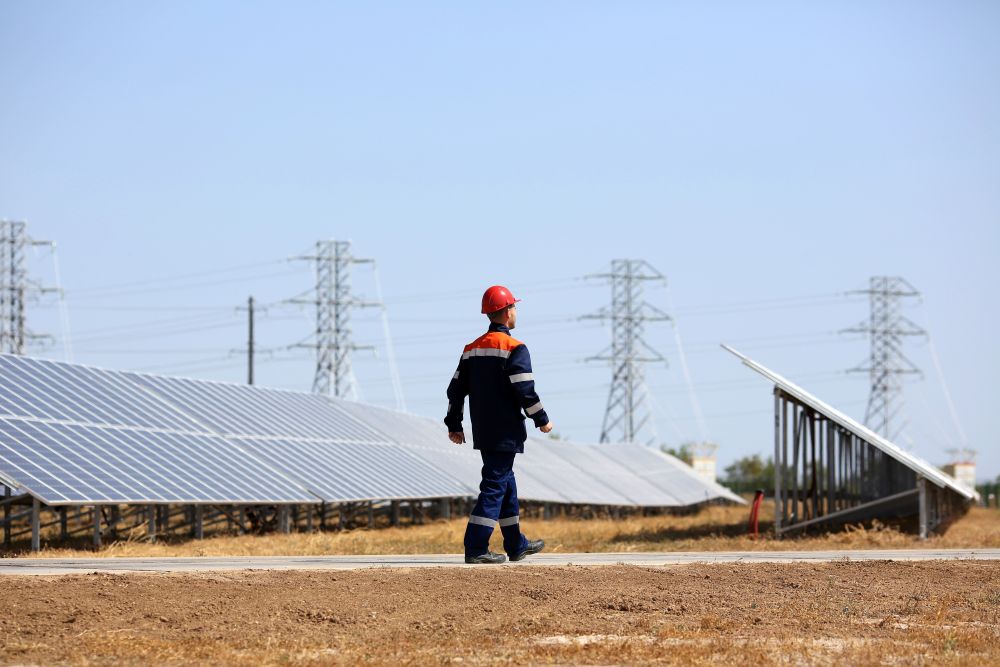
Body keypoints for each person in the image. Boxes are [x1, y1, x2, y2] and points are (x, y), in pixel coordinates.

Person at [444, 285, 552, 564]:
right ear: (507, 312)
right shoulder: (515, 348)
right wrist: (541, 419)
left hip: (483, 430)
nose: (516, 311)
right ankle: (476, 546)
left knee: (506, 483)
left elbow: (455, 390)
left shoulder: (471, 349)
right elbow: (525, 390)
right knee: (494, 485)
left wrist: (454, 424)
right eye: (514, 307)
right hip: (506, 431)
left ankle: (516, 544)